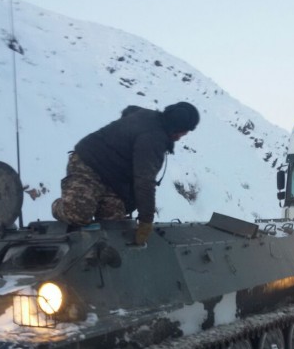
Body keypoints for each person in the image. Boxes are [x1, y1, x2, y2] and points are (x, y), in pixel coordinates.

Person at [51, 101, 200, 245]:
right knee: (78, 214)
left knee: (115, 228)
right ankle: (64, 204)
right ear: (176, 129)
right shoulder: (153, 138)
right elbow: (144, 181)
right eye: (183, 132)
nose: (181, 136)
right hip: (88, 164)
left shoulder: (150, 118)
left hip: (113, 181)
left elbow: (129, 110)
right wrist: (146, 221)